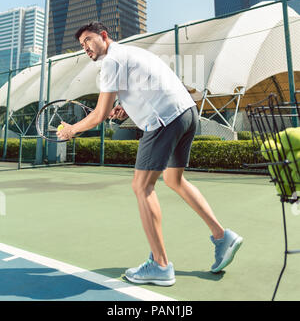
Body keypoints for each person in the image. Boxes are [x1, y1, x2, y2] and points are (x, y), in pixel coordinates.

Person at [57, 21, 243, 286]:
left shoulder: (111, 62)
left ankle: (160, 264)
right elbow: (144, 89)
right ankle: (222, 236)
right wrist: (124, 106)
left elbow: (98, 115)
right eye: (82, 45)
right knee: (174, 180)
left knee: (142, 186)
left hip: (164, 121)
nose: (85, 47)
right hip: (187, 114)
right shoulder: (133, 53)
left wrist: (72, 129)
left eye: (88, 40)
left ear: (104, 36)